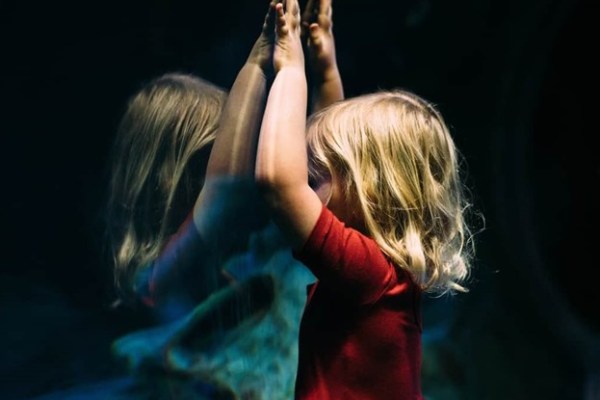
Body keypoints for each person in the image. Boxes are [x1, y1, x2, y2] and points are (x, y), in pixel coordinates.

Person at [256, 0, 478, 398]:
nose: (306, 184)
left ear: (369, 189)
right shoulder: (383, 277)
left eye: (317, 176)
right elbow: (307, 159)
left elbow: (278, 184)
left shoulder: (369, 274)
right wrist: (325, 68)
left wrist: (290, 69)